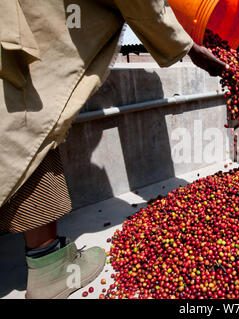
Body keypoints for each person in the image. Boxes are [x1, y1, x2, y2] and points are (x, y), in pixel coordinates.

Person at [0, 0, 227, 299]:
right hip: (35, 32)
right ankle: (49, 268)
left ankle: (48, 262)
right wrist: (190, 48)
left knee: (22, 125)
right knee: (29, 130)